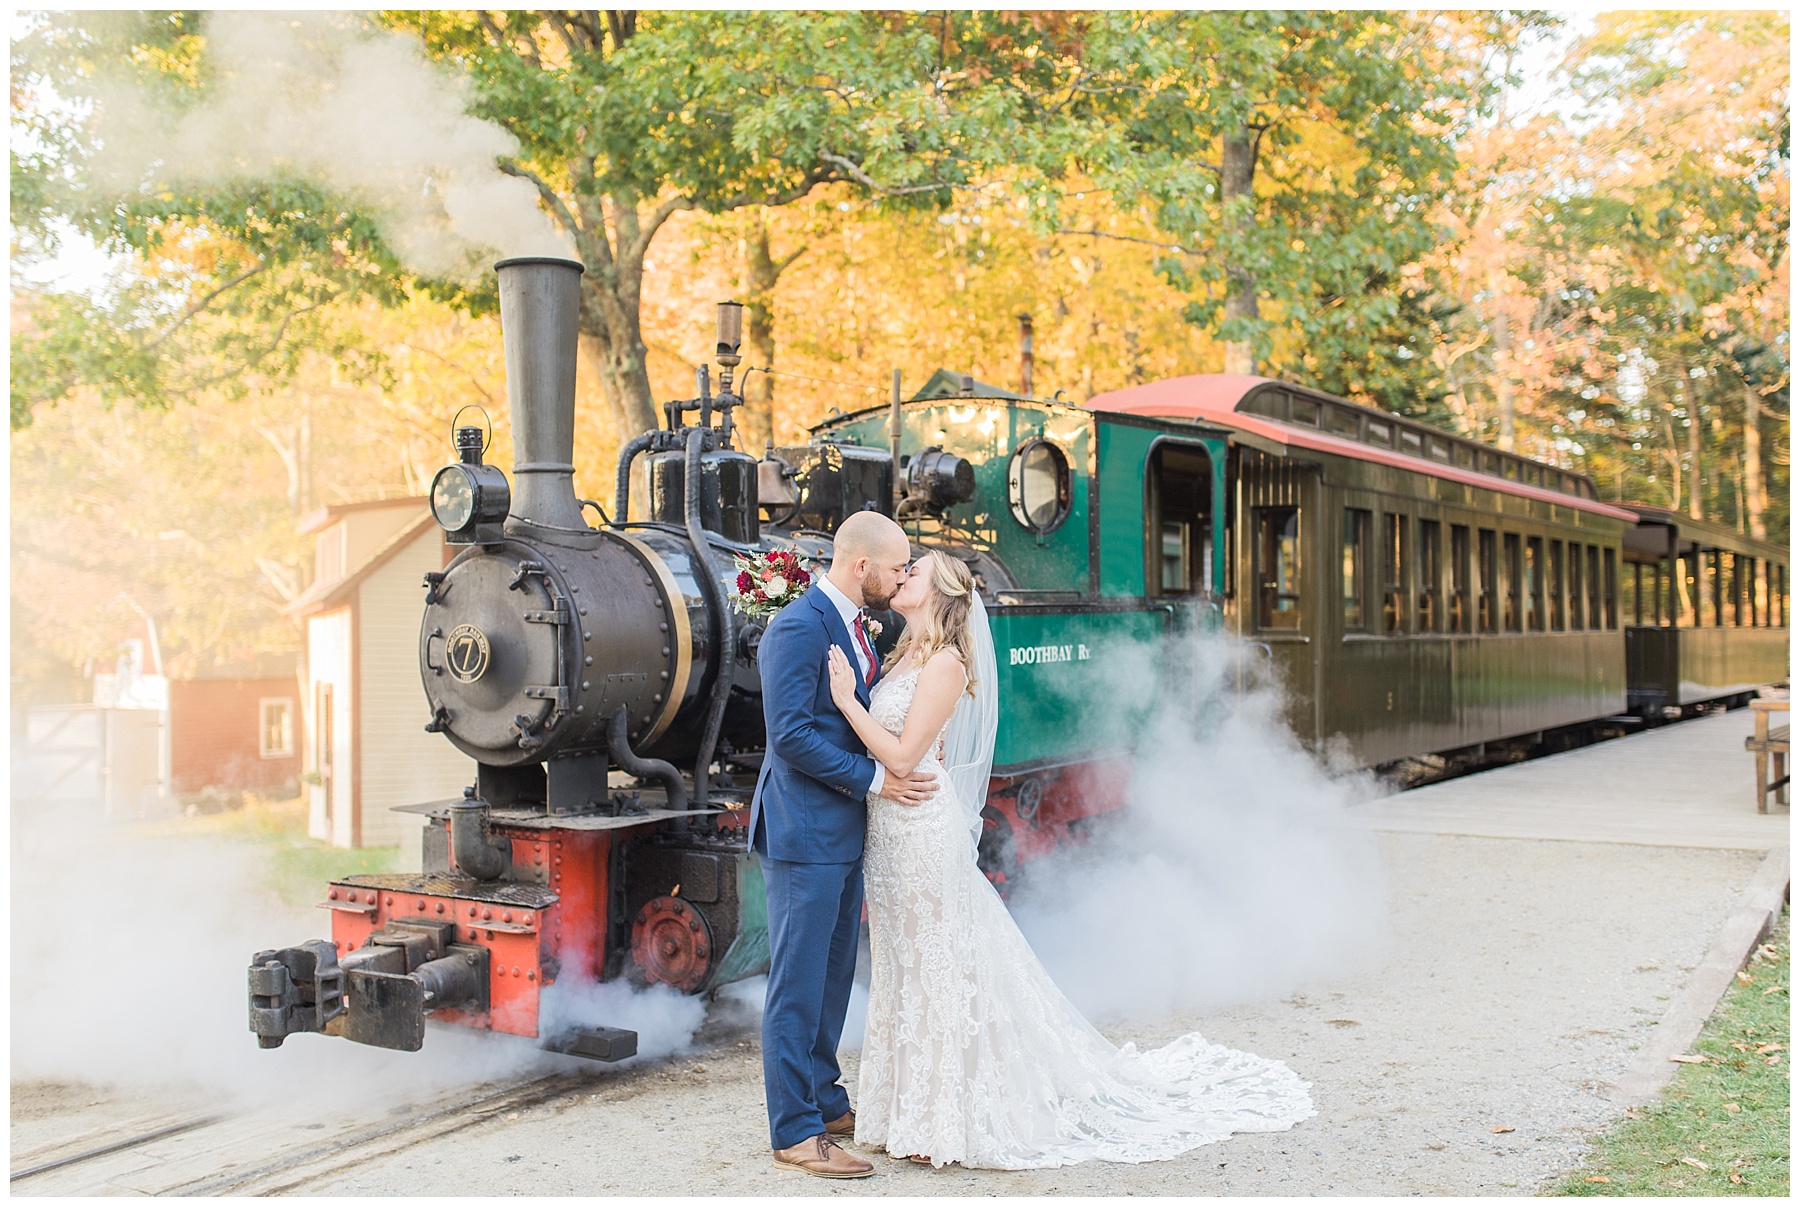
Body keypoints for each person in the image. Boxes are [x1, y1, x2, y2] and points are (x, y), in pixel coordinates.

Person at [825, 550, 1316, 1170]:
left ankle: (946, 1115)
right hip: (894, 832)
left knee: (939, 964)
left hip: (921, 828)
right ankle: (907, 1109)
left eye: (913, 571)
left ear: (939, 592)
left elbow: (900, 756)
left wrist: (847, 702)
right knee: (904, 962)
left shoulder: (948, 661)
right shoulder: (902, 654)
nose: (901, 576)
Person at [749, 511, 938, 1179]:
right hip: (803, 832)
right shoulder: (797, 628)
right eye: (896, 566)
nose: (900, 576)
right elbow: (791, 737)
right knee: (797, 984)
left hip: (842, 832)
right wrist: (878, 780)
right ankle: (795, 1129)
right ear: (862, 566)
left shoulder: (858, 623)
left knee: (831, 979)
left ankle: (826, 1101)